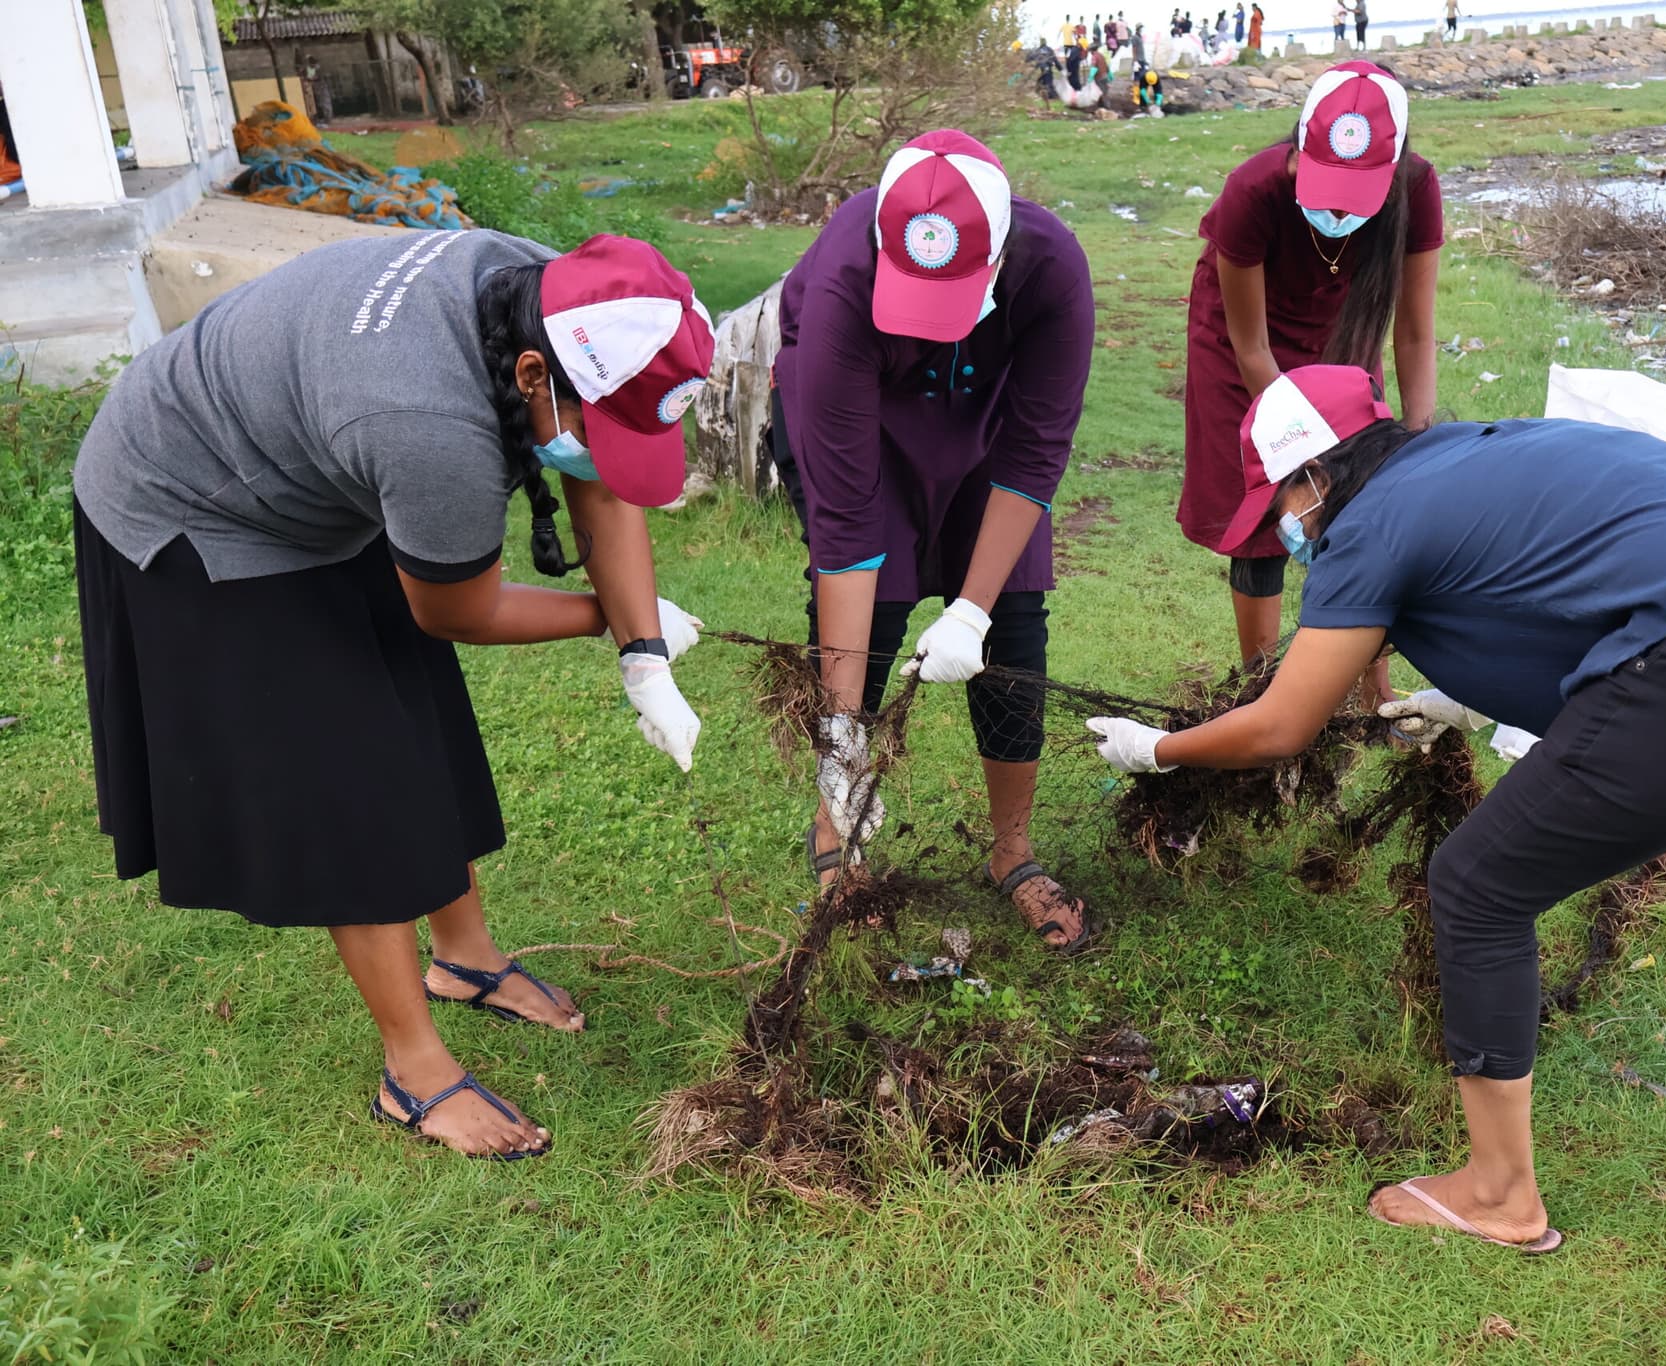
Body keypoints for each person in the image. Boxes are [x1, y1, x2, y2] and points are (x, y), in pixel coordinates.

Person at [1089, 364, 1666, 1250]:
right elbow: (1582, 586)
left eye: (1281, 503)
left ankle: (1500, 1193)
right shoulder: (1479, 454)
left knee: (1478, 882)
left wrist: (1151, 750)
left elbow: (1281, 726)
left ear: (1315, 475)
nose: (1285, 530)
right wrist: (1465, 699)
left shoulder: (1372, 521)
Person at [71, 231, 717, 1160]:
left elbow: (606, 485)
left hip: (311, 458)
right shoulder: (426, 425)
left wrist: (644, 651)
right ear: (532, 374)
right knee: (350, 774)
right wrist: (608, 622)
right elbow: (460, 609)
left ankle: (466, 960)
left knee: (419, 716)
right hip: (192, 498)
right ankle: (412, 1075)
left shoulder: (565, 293)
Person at [769, 132, 1097, 953]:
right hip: (861, 434)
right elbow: (845, 525)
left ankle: (1013, 855)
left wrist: (971, 612)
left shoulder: (1053, 269)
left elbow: (1034, 452)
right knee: (866, 623)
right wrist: (840, 741)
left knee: (1014, 625)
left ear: (998, 258)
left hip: (985, 439)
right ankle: (835, 830)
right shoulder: (844, 281)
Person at [1177, 61, 1443, 671]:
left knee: (1363, 503)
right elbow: (1252, 347)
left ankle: (1372, 688)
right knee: (1267, 509)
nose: (1340, 214)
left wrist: (1418, 442)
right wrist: (1298, 447)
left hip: (1340, 336)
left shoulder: (1418, 188)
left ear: (1393, 170)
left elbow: (1415, 331)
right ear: (1298, 152)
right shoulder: (1252, 190)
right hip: (1241, 344)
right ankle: (1260, 683)